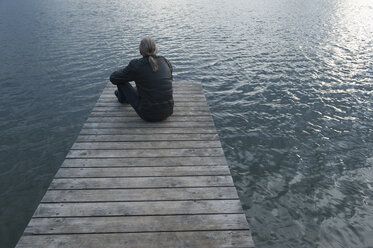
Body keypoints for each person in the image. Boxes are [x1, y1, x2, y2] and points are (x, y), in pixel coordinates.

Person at [109, 37, 174, 122]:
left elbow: (113, 78)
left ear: (140, 51)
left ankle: (122, 99)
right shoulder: (165, 61)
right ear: (156, 49)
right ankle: (124, 96)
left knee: (121, 81)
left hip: (148, 114)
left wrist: (125, 72)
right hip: (168, 111)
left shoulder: (136, 65)